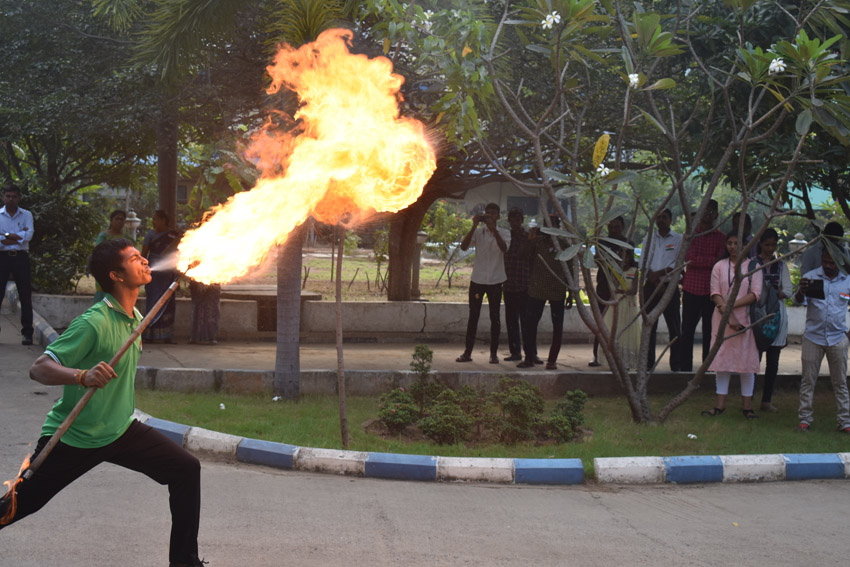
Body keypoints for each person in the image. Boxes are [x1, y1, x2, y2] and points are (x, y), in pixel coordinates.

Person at [0, 238, 206, 567]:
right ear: (116, 276)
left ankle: (185, 562)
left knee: (186, 469)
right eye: (135, 258)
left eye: (143, 257)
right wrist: (82, 376)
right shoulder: (94, 321)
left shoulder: (135, 315)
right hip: (75, 437)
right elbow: (39, 368)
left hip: (120, 430)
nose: (144, 262)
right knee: (18, 504)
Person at [702, 232, 762, 418]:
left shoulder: (753, 266)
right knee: (722, 362)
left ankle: (747, 407)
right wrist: (729, 316)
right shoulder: (719, 266)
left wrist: (730, 307)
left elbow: (755, 294)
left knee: (746, 364)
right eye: (729, 243)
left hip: (746, 320)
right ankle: (720, 406)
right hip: (721, 320)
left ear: (745, 245)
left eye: (737, 243)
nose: (733, 247)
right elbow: (715, 293)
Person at [794, 249, 850, 433]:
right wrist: (801, 292)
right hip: (813, 337)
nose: (827, 266)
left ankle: (844, 422)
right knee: (808, 381)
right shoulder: (810, 277)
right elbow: (797, 300)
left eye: (831, 263)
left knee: (840, 383)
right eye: (825, 262)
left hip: (838, 338)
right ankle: (804, 420)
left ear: (839, 262)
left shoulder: (847, 280)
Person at [456, 203, 509, 364]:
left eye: (493, 214)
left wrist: (493, 229)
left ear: (498, 216)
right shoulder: (478, 232)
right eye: (487, 214)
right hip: (478, 279)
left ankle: (493, 354)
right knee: (473, 316)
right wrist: (473, 226)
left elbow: (504, 248)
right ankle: (467, 352)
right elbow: (464, 247)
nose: (490, 217)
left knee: (495, 317)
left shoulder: (504, 233)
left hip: (496, 280)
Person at [680, 199, 727, 371]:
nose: (707, 214)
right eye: (704, 210)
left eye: (711, 211)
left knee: (710, 331)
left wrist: (702, 261)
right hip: (691, 288)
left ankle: (708, 367)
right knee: (687, 330)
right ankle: (685, 368)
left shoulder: (721, 238)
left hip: (712, 292)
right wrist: (711, 261)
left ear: (716, 215)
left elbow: (720, 262)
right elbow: (690, 260)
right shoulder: (690, 235)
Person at [519, 215, 570, 370]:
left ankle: (552, 360)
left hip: (558, 289)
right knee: (530, 324)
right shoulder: (537, 242)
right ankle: (529, 357)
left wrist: (572, 292)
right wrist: (531, 237)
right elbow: (522, 255)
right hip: (537, 288)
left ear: (558, 227)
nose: (550, 228)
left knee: (557, 325)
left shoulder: (564, 244)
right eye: (547, 224)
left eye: (553, 224)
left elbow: (571, 268)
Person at [641, 208, 683, 371]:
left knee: (675, 327)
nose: (661, 220)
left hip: (669, 287)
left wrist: (660, 275)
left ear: (670, 220)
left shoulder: (678, 239)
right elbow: (643, 261)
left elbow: (679, 263)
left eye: (664, 217)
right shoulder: (649, 238)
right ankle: (647, 364)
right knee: (649, 326)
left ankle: (676, 365)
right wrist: (654, 278)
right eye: (658, 217)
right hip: (650, 287)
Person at [754, 228, 792, 412]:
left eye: (773, 245)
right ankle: (749, 396)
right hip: (757, 315)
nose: (770, 248)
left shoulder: (781, 265)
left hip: (776, 315)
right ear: (760, 244)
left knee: (773, 360)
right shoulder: (753, 264)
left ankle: (766, 399)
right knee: (754, 359)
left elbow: (789, 291)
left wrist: (776, 292)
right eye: (767, 244)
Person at [589, 216, 627, 367]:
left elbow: (627, 264)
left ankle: (619, 356)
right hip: (604, 285)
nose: (614, 230)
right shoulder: (602, 242)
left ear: (622, 227)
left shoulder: (627, 244)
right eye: (611, 227)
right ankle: (596, 355)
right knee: (601, 320)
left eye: (617, 227)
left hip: (620, 288)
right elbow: (597, 259)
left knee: (620, 321)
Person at [0, 183, 35, 345]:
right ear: (3, 197)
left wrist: (6, 236)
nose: (11, 199)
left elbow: (28, 236)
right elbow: (21, 236)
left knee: (25, 295)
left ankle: (27, 333)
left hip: (21, 257)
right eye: (8, 196)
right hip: (2, 258)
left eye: (14, 196)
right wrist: (16, 236)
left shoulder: (26, 215)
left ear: (19, 197)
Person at [142, 210, 181, 344]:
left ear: (164, 220)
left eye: (157, 219)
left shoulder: (174, 235)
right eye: (153, 219)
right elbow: (144, 254)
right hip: (153, 274)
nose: (154, 222)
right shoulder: (150, 235)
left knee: (168, 302)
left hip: (168, 273)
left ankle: (166, 335)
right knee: (153, 302)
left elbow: (178, 253)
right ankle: (149, 334)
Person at [601, 246, 640, 370]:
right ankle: (615, 361)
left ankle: (627, 362)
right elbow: (612, 287)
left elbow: (634, 290)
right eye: (621, 256)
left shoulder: (634, 271)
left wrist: (622, 291)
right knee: (614, 331)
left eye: (627, 256)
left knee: (627, 332)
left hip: (629, 306)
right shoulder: (616, 270)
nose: (624, 259)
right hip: (617, 305)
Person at [502, 207, 531, 362]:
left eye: (517, 219)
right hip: (508, 285)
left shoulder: (528, 237)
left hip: (525, 284)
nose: (515, 222)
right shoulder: (506, 237)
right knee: (511, 321)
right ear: (509, 221)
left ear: (521, 221)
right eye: (512, 219)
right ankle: (515, 352)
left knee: (526, 322)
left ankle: (530, 353)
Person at [93, 210, 128, 303]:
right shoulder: (104, 235)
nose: (120, 221)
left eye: (122, 219)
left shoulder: (125, 238)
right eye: (117, 219)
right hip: (105, 270)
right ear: (111, 221)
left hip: (120, 271)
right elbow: (98, 252)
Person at [189, 280, 221, 345]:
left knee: (210, 312)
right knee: (199, 311)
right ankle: (197, 337)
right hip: (199, 283)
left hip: (212, 287)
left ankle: (209, 336)